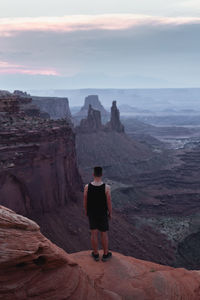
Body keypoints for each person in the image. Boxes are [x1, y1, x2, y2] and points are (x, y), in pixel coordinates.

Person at [84, 166, 112, 262]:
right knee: (104, 234)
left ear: (93, 174)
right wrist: (110, 213)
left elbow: (85, 200)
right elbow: (109, 203)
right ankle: (105, 254)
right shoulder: (107, 187)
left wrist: (86, 211)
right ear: (101, 175)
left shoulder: (87, 187)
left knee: (93, 234)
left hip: (92, 213)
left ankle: (95, 254)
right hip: (102, 213)